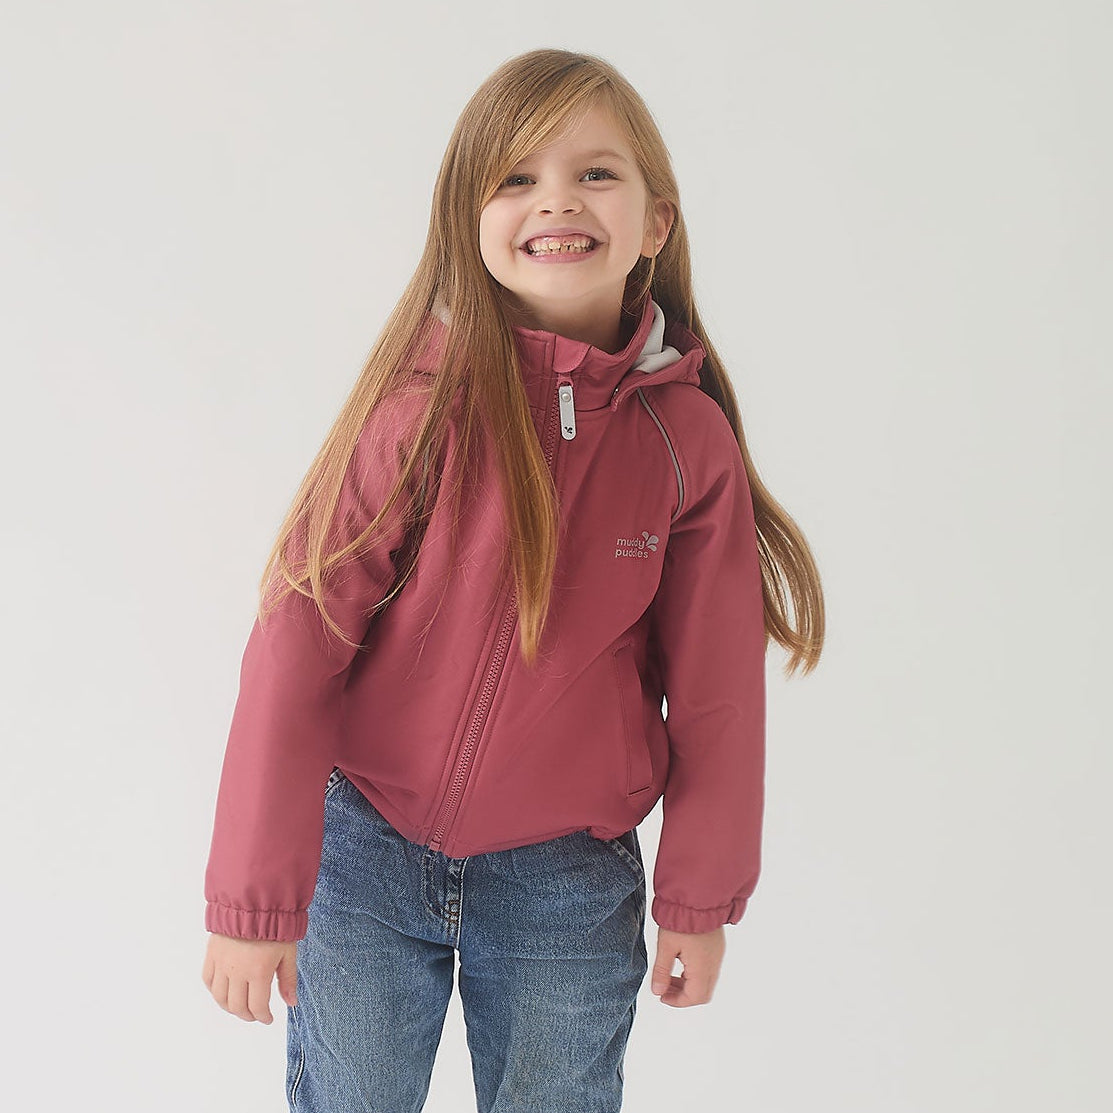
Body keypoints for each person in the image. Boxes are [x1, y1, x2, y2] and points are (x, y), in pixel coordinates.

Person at [200, 47, 824, 1113]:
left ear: (655, 224)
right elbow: (299, 637)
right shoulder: (419, 412)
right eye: (517, 178)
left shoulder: (687, 442)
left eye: (596, 174)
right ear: (468, 220)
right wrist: (253, 899)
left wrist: (699, 898)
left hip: (565, 889)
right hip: (365, 854)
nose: (557, 201)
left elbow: (716, 691)